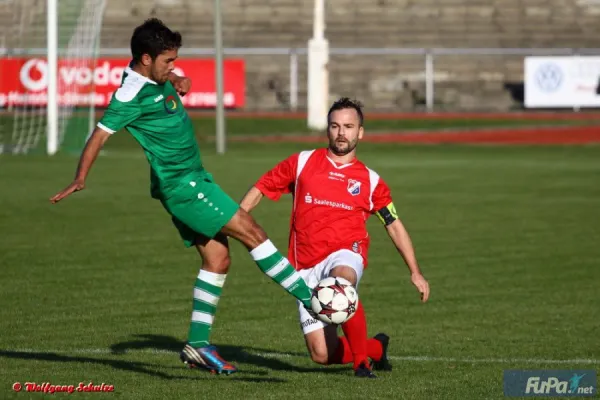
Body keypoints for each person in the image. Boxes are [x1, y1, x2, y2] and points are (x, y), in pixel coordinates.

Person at [49, 18, 316, 376]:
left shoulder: (156, 77)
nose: (173, 67)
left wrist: (174, 79)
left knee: (218, 259)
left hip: (192, 179)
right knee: (253, 233)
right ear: (146, 59)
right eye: (167, 62)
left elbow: (168, 80)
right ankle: (312, 300)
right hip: (184, 186)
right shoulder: (129, 94)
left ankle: (198, 345)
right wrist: (80, 177)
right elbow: (99, 135)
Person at [240, 97, 431, 378]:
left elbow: (394, 224)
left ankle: (361, 364)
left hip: (346, 251)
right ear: (328, 129)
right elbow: (262, 186)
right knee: (321, 354)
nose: (342, 133)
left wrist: (415, 271)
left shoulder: (371, 180)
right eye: (335, 126)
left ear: (360, 132)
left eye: (349, 126)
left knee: (342, 283)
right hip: (304, 264)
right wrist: (237, 221)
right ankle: (376, 348)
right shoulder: (302, 162)